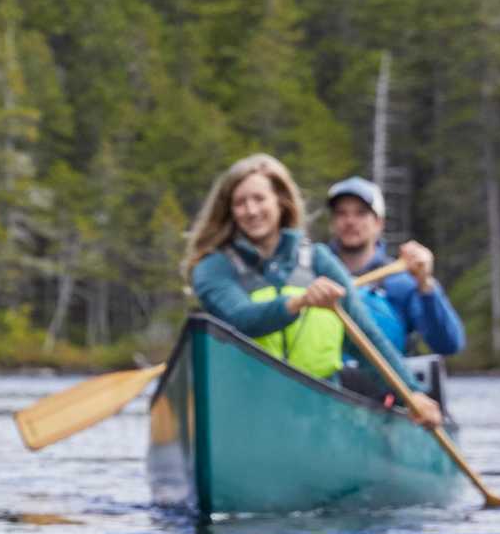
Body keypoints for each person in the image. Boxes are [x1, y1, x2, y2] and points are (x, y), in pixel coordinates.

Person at [182, 153, 439, 424]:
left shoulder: (319, 260)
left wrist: (411, 393)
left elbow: (366, 338)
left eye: (259, 199)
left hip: (319, 411)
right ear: (230, 211)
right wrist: (298, 302)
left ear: (280, 202)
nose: (251, 210)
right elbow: (241, 318)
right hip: (245, 408)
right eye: (240, 203)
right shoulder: (212, 268)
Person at [321, 175, 465, 360]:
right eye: (341, 213)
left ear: (379, 223)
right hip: (321, 383)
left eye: (361, 213)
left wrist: (425, 285)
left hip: (384, 386)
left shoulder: (401, 281)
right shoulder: (314, 274)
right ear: (332, 221)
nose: (350, 221)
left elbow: (449, 344)